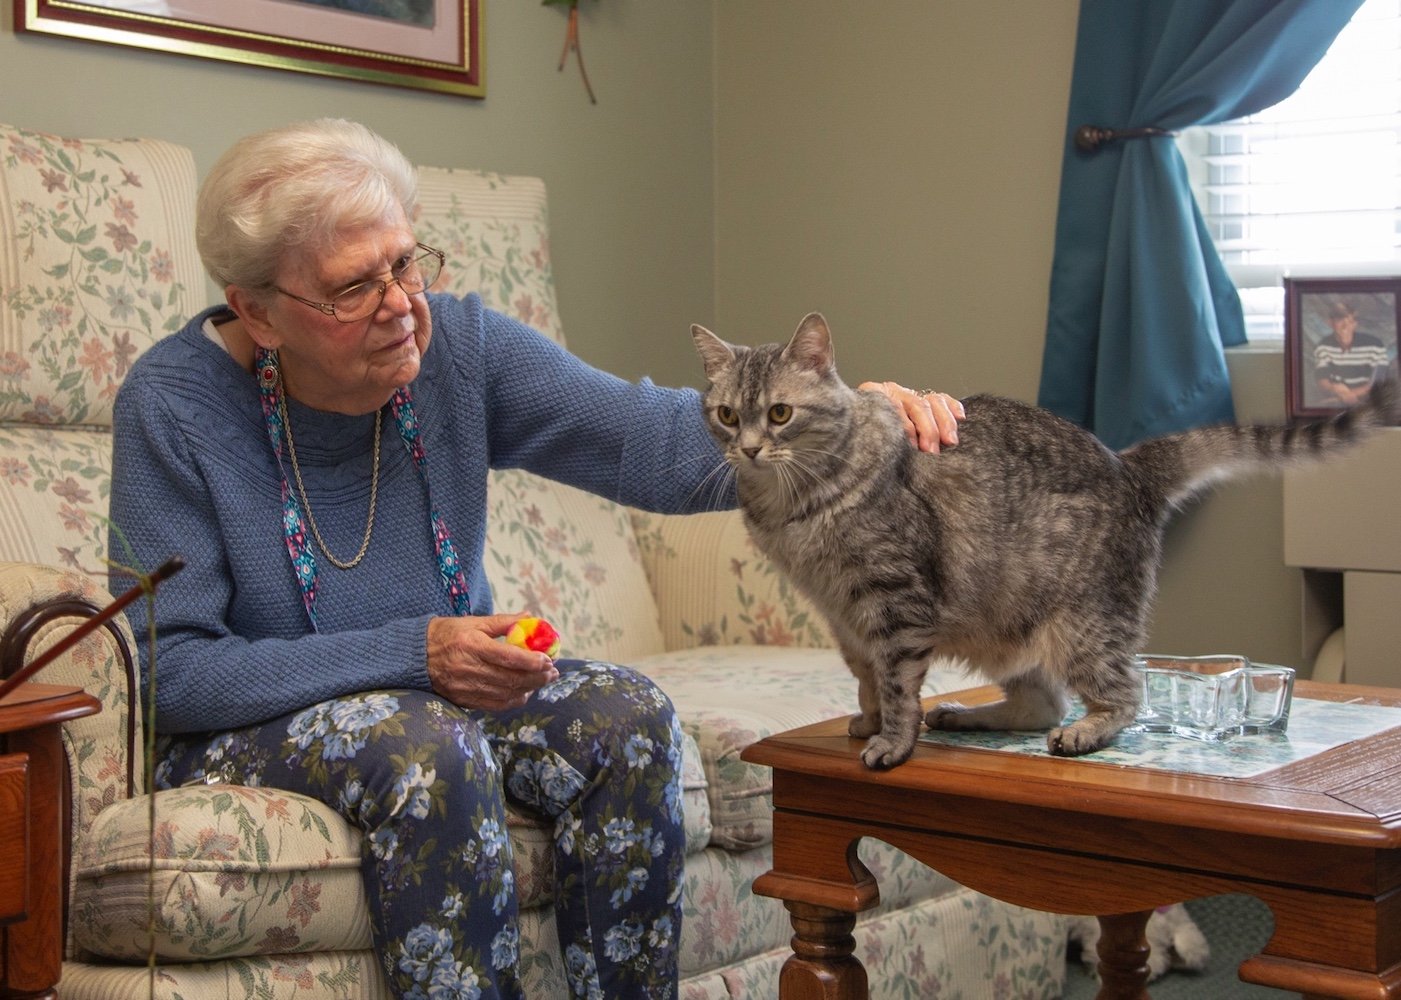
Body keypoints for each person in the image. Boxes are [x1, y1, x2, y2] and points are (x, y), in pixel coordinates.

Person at [107, 118, 963, 1000]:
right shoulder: (174, 407)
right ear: (257, 310)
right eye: (352, 288)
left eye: (406, 262)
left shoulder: (456, 348)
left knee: (626, 721)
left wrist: (851, 421)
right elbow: (169, 672)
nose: (402, 303)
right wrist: (418, 651)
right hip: (253, 724)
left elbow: (649, 441)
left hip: (434, 697)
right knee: (426, 749)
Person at [1313, 299, 1391, 407]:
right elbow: (1322, 381)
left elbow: (1377, 383)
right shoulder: (1323, 346)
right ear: (1330, 323)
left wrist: (1347, 395)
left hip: (1370, 403)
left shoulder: (1375, 345)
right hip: (1335, 401)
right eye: (1340, 320)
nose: (1345, 326)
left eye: (1350, 321)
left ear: (1355, 324)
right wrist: (1334, 389)